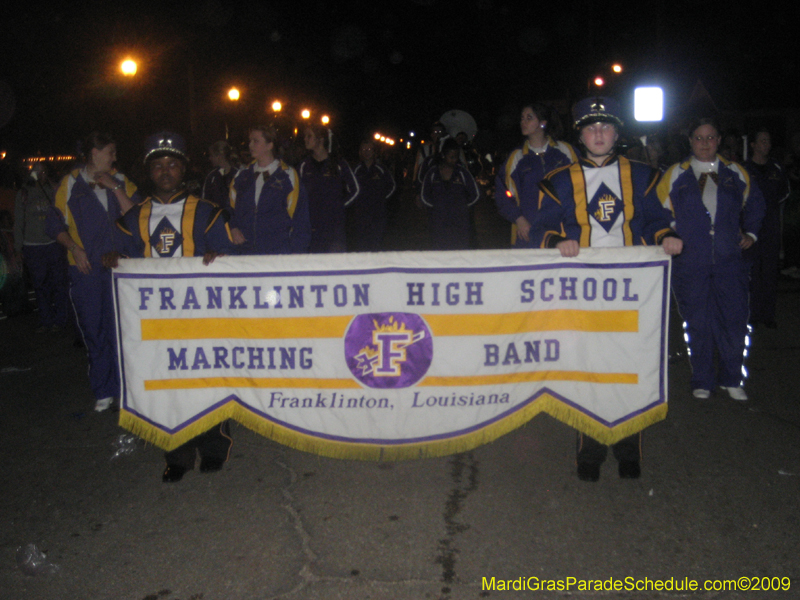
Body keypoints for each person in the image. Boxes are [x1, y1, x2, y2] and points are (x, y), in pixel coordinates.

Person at [532, 97, 683, 482]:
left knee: (630, 370)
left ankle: (628, 448)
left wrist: (666, 237)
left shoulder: (644, 175)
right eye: (590, 128)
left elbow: (655, 220)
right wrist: (556, 241)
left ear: (617, 133)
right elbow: (541, 228)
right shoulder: (559, 180)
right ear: (580, 135)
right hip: (582, 292)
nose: (598, 134)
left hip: (632, 290)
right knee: (590, 370)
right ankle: (591, 451)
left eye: (606, 127)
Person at [105, 131, 235, 483]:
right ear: (149, 172)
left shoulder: (206, 212)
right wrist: (116, 260)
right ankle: (176, 454)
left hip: (199, 318)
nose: (165, 171)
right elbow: (124, 260)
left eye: (172, 164)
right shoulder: (134, 219)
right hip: (157, 323)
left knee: (206, 383)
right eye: (158, 165)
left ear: (183, 169)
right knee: (166, 387)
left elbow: (232, 260)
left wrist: (218, 257)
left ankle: (212, 448)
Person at [658, 117, 765, 402]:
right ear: (690, 141)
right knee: (698, 322)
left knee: (734, 321)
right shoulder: (675, 174)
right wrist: (669, 233)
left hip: (730, 261)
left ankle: (732, 377)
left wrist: (751, 234)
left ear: (718, 141)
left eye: (711, 138)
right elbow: (658, 212)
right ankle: (702, 378)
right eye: (699, 138)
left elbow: (756, 204)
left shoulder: (735, 172)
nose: (705, 143)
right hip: (691, 262)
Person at [46, 131, 138, 412]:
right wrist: (74, 248)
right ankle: (104, 389)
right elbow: (54, 225)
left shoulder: (121, 181)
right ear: (94, 153)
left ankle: (127, 389)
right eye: (110, 152)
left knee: (123, 330)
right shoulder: (71, 183)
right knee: (94, 328)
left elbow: (138, 218)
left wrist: (114, 187)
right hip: (86, 269)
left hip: (121, 267)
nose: (114, 157)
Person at [495, 103, 578, 247]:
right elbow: (503, 193)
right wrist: (519, 219)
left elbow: (583, 185)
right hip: (529, 234)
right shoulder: (517, 157)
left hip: (565, 233)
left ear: (542, 123)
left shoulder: (566, 151)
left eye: (529, 118)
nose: (523, 122)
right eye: (522, 118)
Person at [228, 125, 311, 255]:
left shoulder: (287, 176)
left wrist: (296, 256)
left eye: (256, 141)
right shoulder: (242, 176)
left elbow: (300, 219)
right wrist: (233, 228)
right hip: (244, 253)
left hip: (277, 253)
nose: (250, 145)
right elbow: (228, 210)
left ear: (270, 145)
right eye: (250, 141)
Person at [14, 163, 69, 332]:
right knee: (40, 285)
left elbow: (63, 202)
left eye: (43, 171)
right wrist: (18, 248)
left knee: (59, 283)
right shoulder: (24, 193)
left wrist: (50, 182)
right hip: (33, 246)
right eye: (37, 171)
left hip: (53, 244)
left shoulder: (51, 189)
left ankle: (61, 320)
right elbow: (18, 222)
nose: (40, 174)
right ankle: (46, 320)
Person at [744, 128, 790, 328]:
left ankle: (767, 315)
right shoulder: (744, 169)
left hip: (770, 226)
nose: (766, 145)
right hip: (749, 227)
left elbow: (784, 192)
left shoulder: (776, 169)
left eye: (768, 141)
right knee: (752, 271)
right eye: (762, 141)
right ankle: (751, 314)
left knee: (770, 271)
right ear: (753, 145)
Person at [299, 125, 359, 253]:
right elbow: (298, 195)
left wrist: (339, 206)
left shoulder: (338, 164)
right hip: (311, 228)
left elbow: (355, 190)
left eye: (309, 136)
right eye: (305, 136)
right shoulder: (304, 165)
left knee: (334, 266)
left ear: (320, 140)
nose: (305, 139)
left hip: (334, 228)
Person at [420, 138, 480, 250]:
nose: (454, 160)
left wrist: (462, 207)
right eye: (451, 157)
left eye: (456, 157)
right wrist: (436, 207)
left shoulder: (462, 173)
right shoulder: (433, 173)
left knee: (459, 251)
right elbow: (424, 195)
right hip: (438, 222)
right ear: (443, 155)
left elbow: (475, 194)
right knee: (439, 251)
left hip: (459, 223)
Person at [349, 138, 396, 252]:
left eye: (369, 149)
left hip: (378, 215)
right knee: (362, 246)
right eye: (364, 149)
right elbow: (349, 188)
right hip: (361, 215)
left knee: (376, 246)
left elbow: (392, 186)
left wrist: (380, 199)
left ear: (374, 151)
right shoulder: (355, 170)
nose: (367, 151)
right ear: (360, 152)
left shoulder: (381, 169)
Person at [201, 140, 237, 211]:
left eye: (212, 155)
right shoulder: (211, 177)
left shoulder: (237, 175)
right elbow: (205, 201)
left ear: (219, 156)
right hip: (216, 219)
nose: (210, 158)